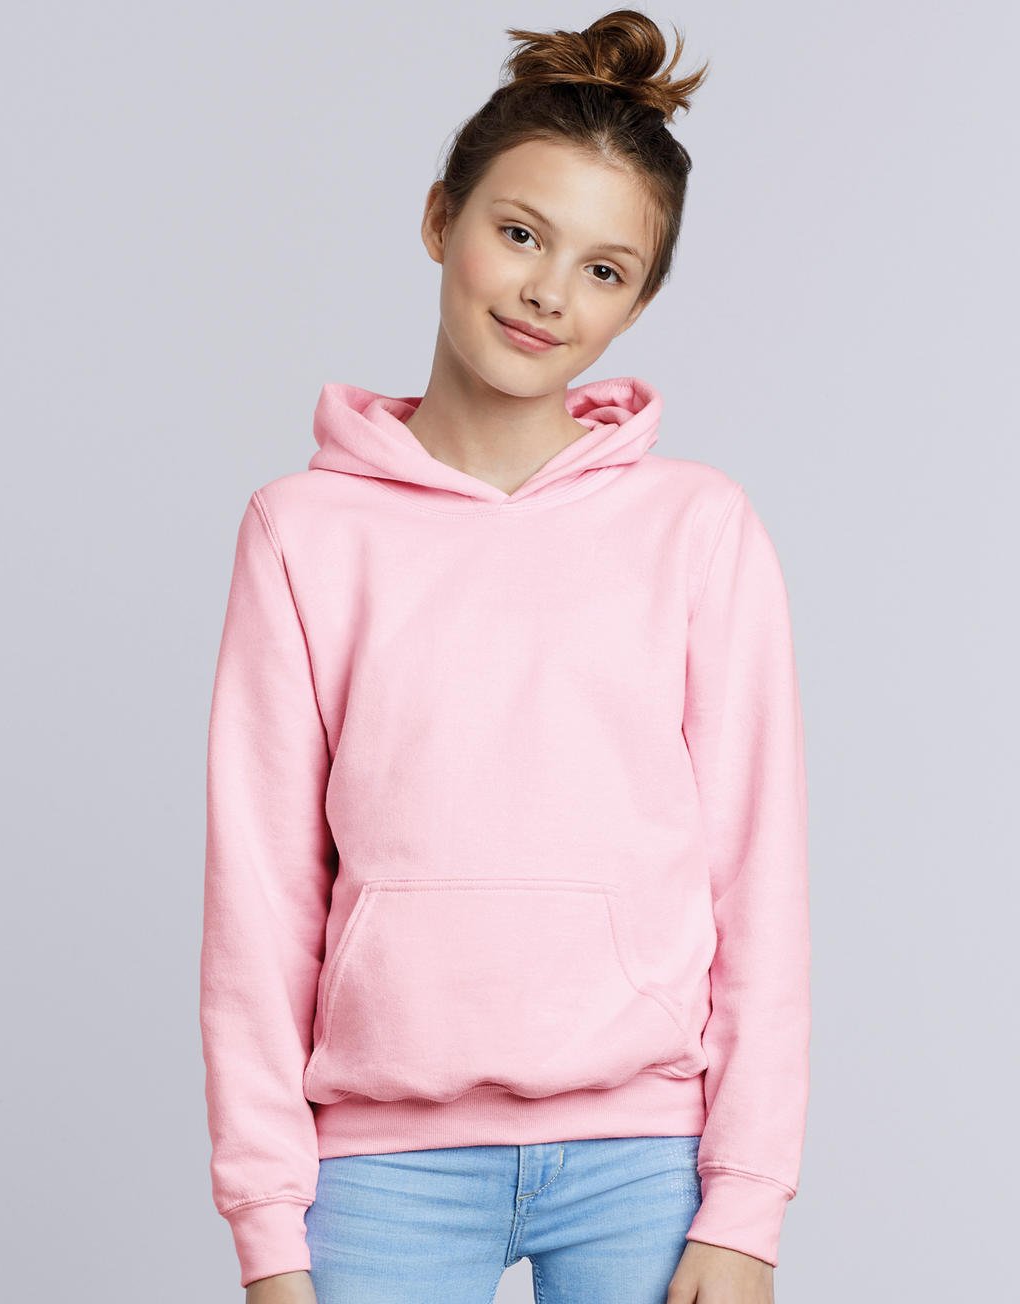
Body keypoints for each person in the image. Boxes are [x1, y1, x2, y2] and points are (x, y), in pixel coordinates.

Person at [199, 9, 811, 1303]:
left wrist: (747, 1206)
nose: (547, 292)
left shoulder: (697, 529)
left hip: (648, 1161)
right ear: (441, 218)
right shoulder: (304, 533)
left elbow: (758, 882)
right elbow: (258, 904)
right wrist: (266, 1229)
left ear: (639, 303)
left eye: (605, 268)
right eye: (521, 233)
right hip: (380, 1168)